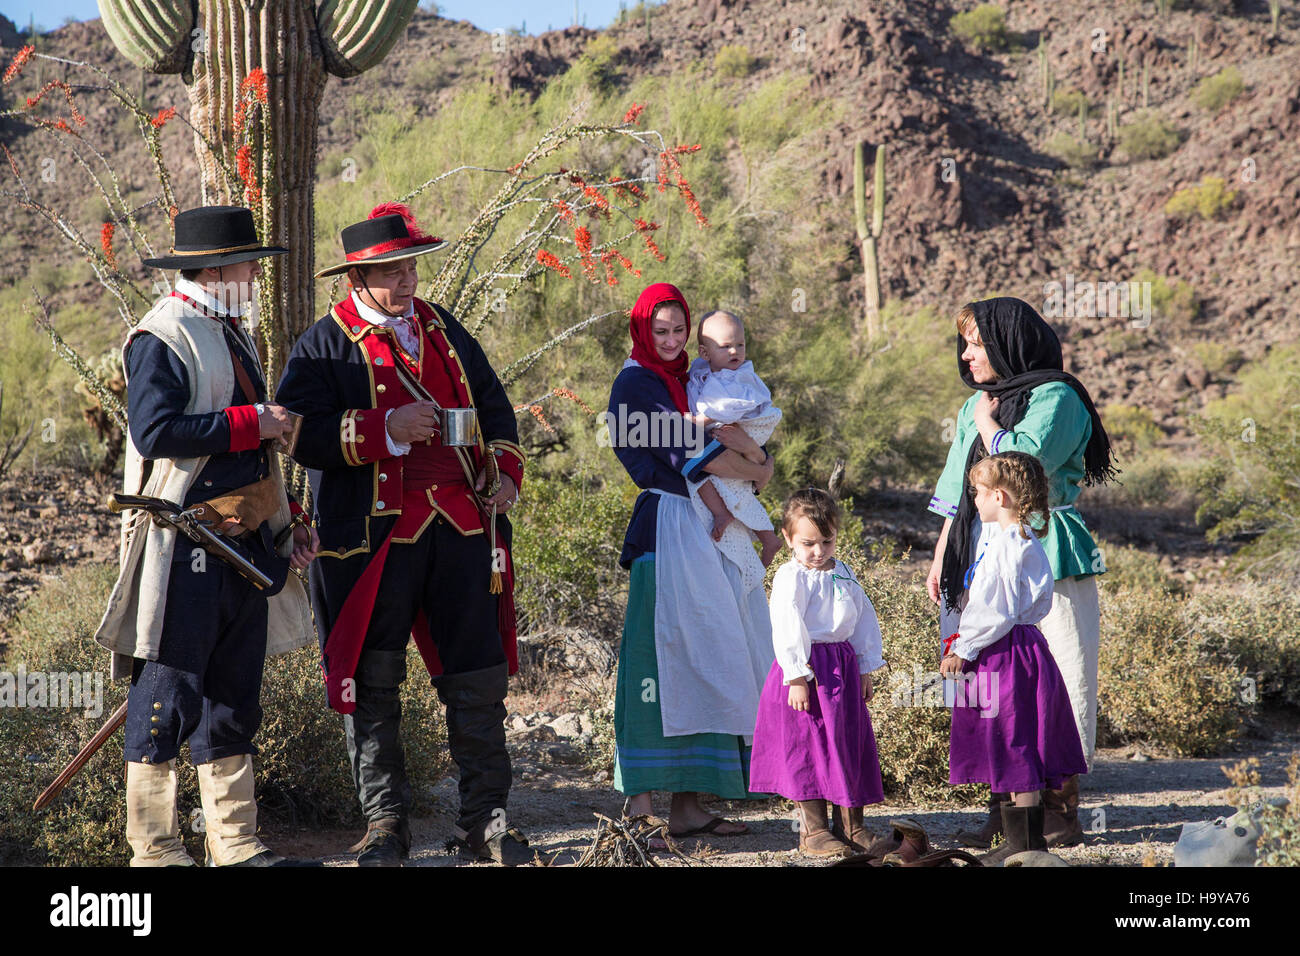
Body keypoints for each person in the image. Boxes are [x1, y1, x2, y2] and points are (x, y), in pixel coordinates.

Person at [275, 203, 529, 866]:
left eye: (410, 265)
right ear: (356, 278)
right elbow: (296, 433)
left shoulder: (444, 330)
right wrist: (384, 429)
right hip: (371, 538)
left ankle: (487, 820)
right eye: (391, 269)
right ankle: (385, 825)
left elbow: (495, 407)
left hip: (463, 528)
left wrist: (504, 472)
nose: (407, 279)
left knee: (477, 679)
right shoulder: (323, 345)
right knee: (374, 680)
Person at [94, 205, 320, 867]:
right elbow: (154, 432)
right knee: (165, 698)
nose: (256, 273)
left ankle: (235, 844)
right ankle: (156, 850)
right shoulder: (159, 335)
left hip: (242, 545)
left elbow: (251, 459)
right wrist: (254, 421)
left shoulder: (230, 331)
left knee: (231, 697)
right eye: (251, 262)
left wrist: (286, 528)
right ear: (219, 269)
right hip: (183, 544)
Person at [925, 297, 1116, 849]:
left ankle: (1056, 811)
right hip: (976, 545)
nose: (967, 356)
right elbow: (957, 487)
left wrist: (989, 424)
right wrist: (943, 552)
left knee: (1054, 674)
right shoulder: (975, 406)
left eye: (978, 344)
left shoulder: (1057, 397)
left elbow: (1025, 465)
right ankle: (1004, 809)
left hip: (1043, 542)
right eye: (964, 344)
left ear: (1010, 343)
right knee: (989, 680)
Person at [607, 282, 776, 839]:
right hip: (667, 527)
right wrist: (759, 471)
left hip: (703, 528)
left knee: (708, 653)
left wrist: (753, 459)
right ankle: (641, 809)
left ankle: (687, 807)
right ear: (641, 330)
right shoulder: (636, 384)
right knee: (659, 659)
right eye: (662, 331)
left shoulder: (688, 379)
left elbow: (735, 435)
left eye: (680, 330)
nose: (673, 339)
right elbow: (692, 457)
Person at [939, 451, 1089, 864]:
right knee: (1013, 739)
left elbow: (994, 609)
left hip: (1004, 655)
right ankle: (1020, 839)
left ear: (1000, 497)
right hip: (1022, 648)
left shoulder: (1010, 546)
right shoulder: (1021, 540)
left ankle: (1024, 844)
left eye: (978, 493)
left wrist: (962, 648)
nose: (975, 500)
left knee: (1014, 739)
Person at [748, 489, 885, 859]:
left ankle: (853, 826)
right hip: (807, 673)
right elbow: (786, 625)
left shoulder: (842, 571)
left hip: (842, 667)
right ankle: (813, 830)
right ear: (789, 538)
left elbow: (861, 618)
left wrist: (866, 666)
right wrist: (795, 675)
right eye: (808, 543)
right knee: (807, 745)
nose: (819, 551)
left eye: (827, 541)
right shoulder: (791, 577)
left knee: (846, 741)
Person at [685, 309, 783, 583]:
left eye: (740, 344)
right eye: (726, 346)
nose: (734, 352)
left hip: (744, 427)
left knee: (710, 474)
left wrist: (697, 420)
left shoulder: (737, 376)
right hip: (727, 433)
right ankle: (761, 534)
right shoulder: (706, 372)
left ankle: (760, 534)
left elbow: (730, 409)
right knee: (710, 479)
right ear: (705, 353)